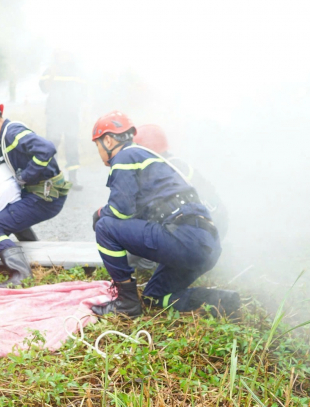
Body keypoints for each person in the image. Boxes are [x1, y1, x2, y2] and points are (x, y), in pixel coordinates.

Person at [89, 111, 239, 318]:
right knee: (155, 296)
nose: (98, 152)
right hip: (207, 245)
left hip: (184, 236)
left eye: (97, 145)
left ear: (107, 139)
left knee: (105, 225)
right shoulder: (153, 162)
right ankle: (221, 301)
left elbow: (120, 211)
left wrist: (99, 213)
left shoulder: (125, 155)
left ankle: (126, 303)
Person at [0, 99, 71, 287]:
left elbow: (47, 149)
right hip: (43, 193)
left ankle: (21, 273)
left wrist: (25, 175)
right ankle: (35, 254)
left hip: (44, 197)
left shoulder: (12, 133)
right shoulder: (9, 133)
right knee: (9, 215)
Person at [39, 49, 86, 190]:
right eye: (61, 54)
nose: (64, 57)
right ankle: (53, 179)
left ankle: (73, 179)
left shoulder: (77, 72)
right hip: (54, 114)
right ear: (56, 56)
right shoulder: (50, 70)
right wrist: (51, 76)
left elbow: (84, 92)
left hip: (71, 114)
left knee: (72, 143)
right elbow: (44, 88)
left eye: (66, 54)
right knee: (52, 145)